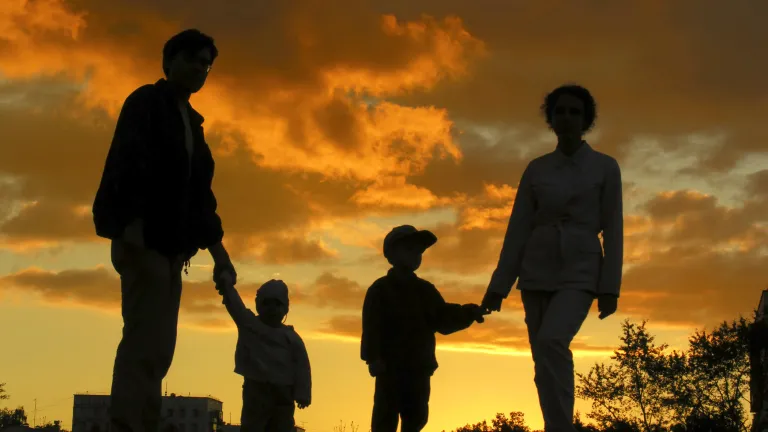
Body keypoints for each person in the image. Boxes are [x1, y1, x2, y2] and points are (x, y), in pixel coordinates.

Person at [91, 29, 238, 432]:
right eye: (192, 59)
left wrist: (220, 256)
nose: (200, 69)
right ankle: (127, 424)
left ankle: (145, 422)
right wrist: (132, 233)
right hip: (142, 240)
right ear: (169, 61)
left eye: (206, 64)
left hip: (172, 247)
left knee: (159, 348)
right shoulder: (146, 103)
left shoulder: (192, 122)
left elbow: (199, 199)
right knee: (144, 341)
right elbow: (129, 165)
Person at [481, 84, 623, 432]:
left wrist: (610, 287)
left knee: (552, 341)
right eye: (560, 111)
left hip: (581, 267)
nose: (567, 117)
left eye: (575, 112)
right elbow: (517, 230)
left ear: (586, 119)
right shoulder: (537, 169)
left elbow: (614, 228)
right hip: (537, 268)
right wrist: (498, 286)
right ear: (551, 118)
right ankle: (556, 426)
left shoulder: (605, 167)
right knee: (543, 360)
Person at [361, 225, 490, 432]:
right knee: (385, 419)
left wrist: (469, 313)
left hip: (419, 369)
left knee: (417, 417)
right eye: (409, 249)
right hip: (389, 368)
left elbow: (443, 317)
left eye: (419, 251)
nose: (416, 255)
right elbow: (371, 326)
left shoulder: (425, 290)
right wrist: (372, 357)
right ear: (391, 254)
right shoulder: (379, 290)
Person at [216, 279, 311, 432]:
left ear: (285, 308)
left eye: (277, 304)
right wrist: (226, 286)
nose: (272, 309)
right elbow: (235, 306)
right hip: (256, 389)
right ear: (259, 305)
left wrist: (303, 393)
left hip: (283, 392)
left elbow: (302, 367)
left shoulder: (291, 337)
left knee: (282, 426)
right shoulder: (251, 325)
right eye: (267, 303)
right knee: (253, 425)